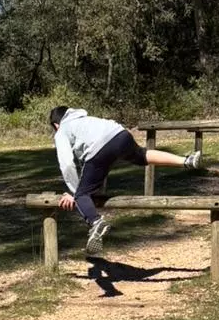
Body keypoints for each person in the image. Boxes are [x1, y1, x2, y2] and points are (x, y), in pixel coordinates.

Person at [50, 105, 199, 255]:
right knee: (141, 155)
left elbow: (67, 164)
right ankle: (186, 160)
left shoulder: (62, 131)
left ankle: (96, 222)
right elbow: (93, 170)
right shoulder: (86, 120)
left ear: (56, 125)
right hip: (120, 134)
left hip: (99, 149)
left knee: (82, 194)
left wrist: (75, 193)